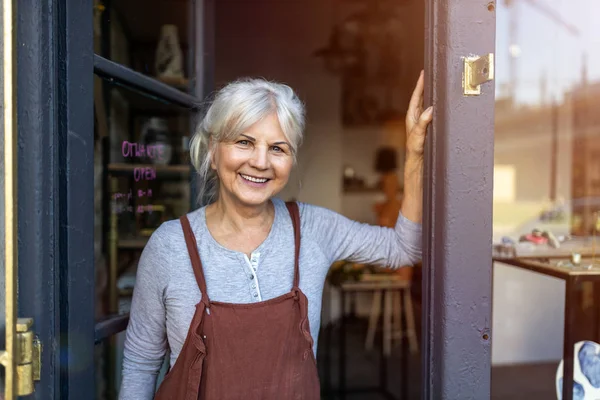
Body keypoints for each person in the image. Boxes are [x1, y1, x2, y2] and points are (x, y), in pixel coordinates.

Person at [119, 72, 433, 399]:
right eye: (244, 142)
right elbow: (141, 362)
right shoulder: (170, 246)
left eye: (277, 148)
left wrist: (414, 155)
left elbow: (404, 249)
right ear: (213, 150)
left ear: (291, 160)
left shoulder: (312, 229)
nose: (260, 162)